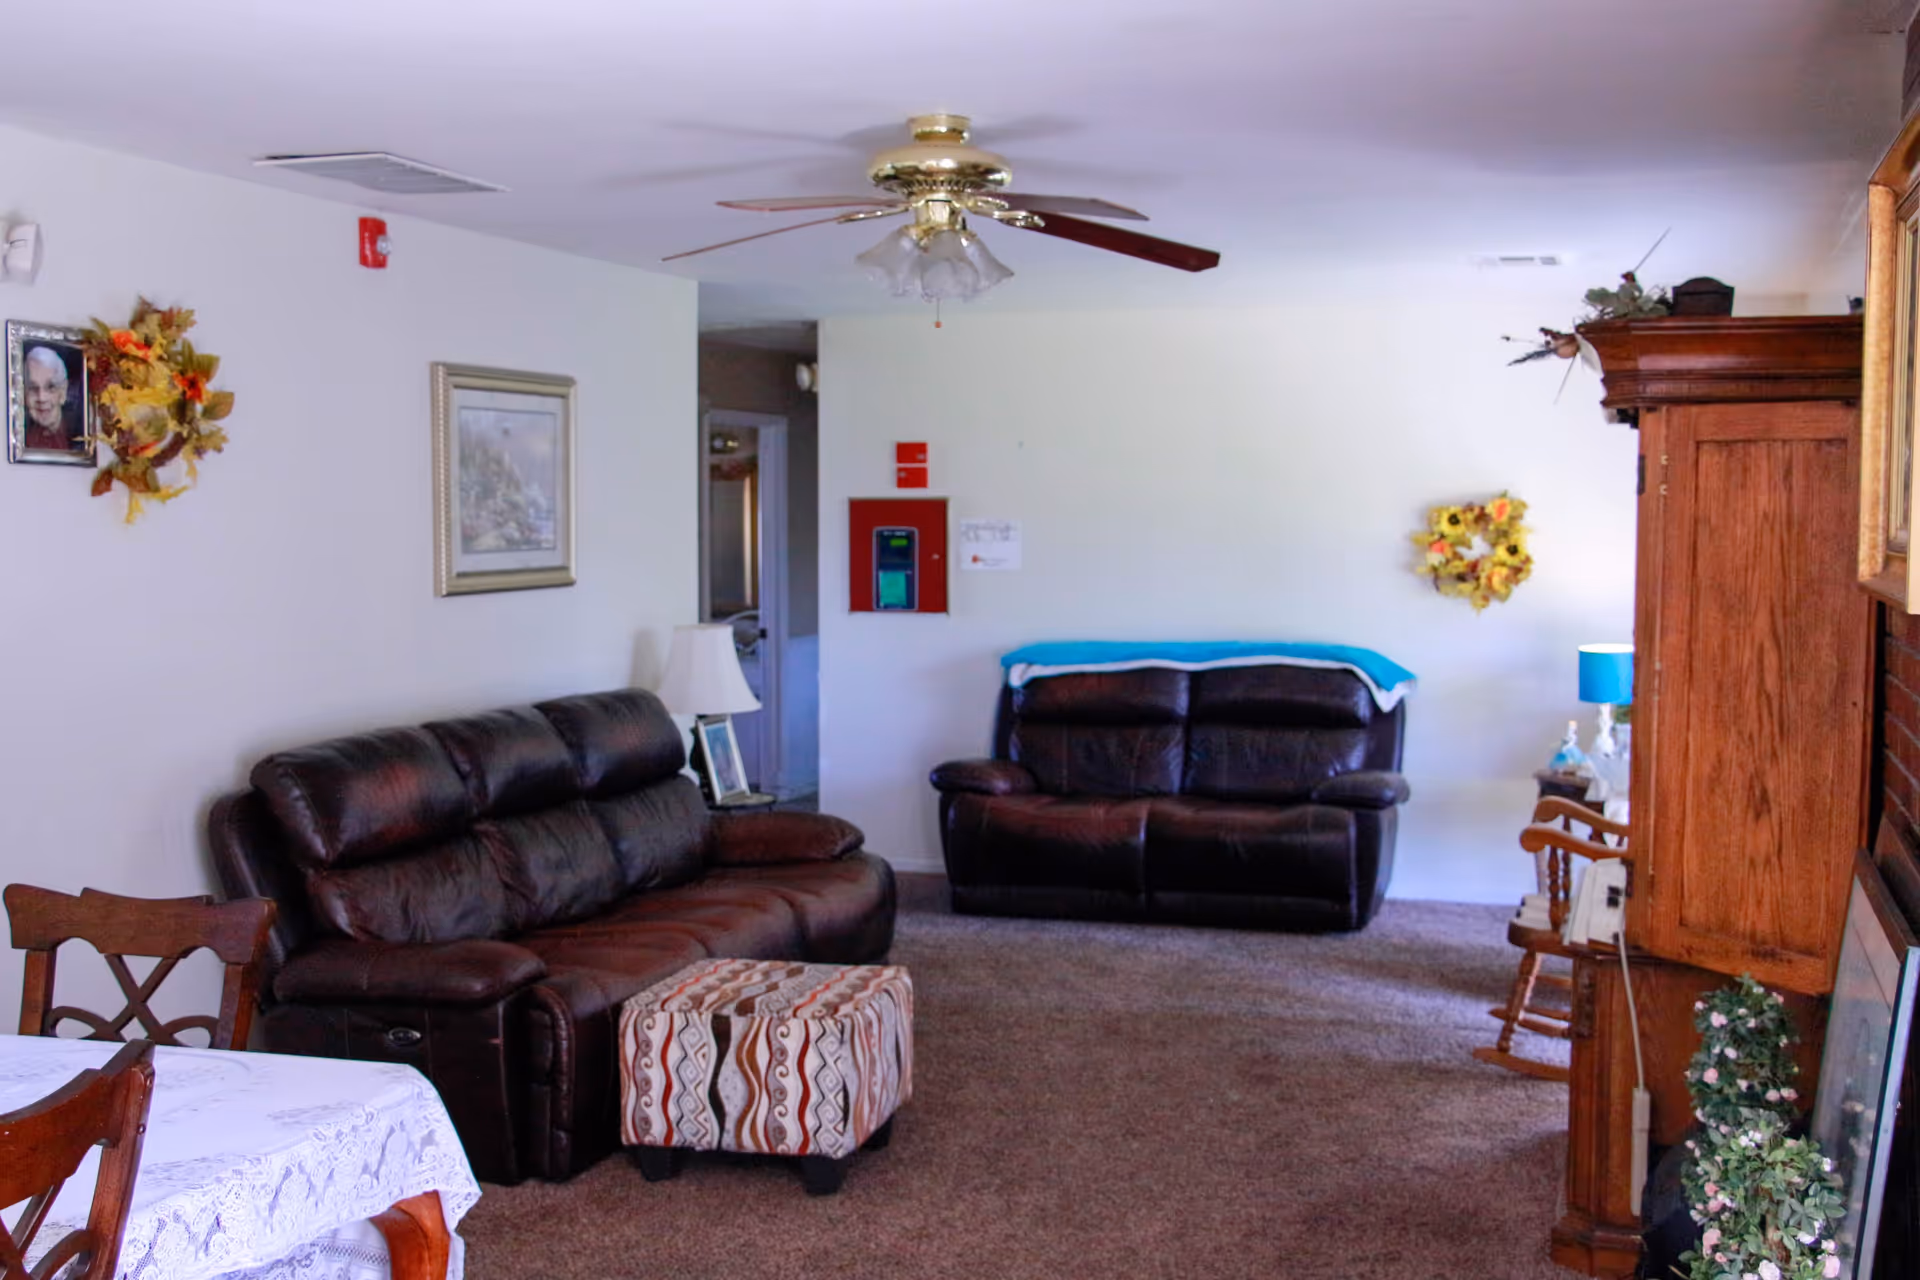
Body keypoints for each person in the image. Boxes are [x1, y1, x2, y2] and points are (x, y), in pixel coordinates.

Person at [21, 344, 83, 453]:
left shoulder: (80, 435)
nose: (41, 398)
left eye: (51, 387)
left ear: (63, 391)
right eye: (33, 388)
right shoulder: (20, 437)